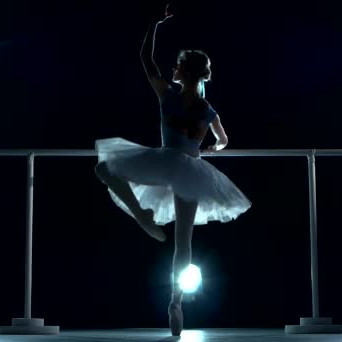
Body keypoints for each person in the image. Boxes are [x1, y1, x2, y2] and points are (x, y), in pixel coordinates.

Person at [94, 4, 251, 336]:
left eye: (177, 65)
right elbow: (224, 139)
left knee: (106, 169)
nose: (173, 68)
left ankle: (144, 222)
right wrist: (213, 147)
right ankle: (174, 299)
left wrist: (153, 23)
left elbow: (145, 59)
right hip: (187, 166)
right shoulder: (205, 108)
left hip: (169, 162)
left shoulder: (169, 95)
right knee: (183, 241)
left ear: (185, 71)